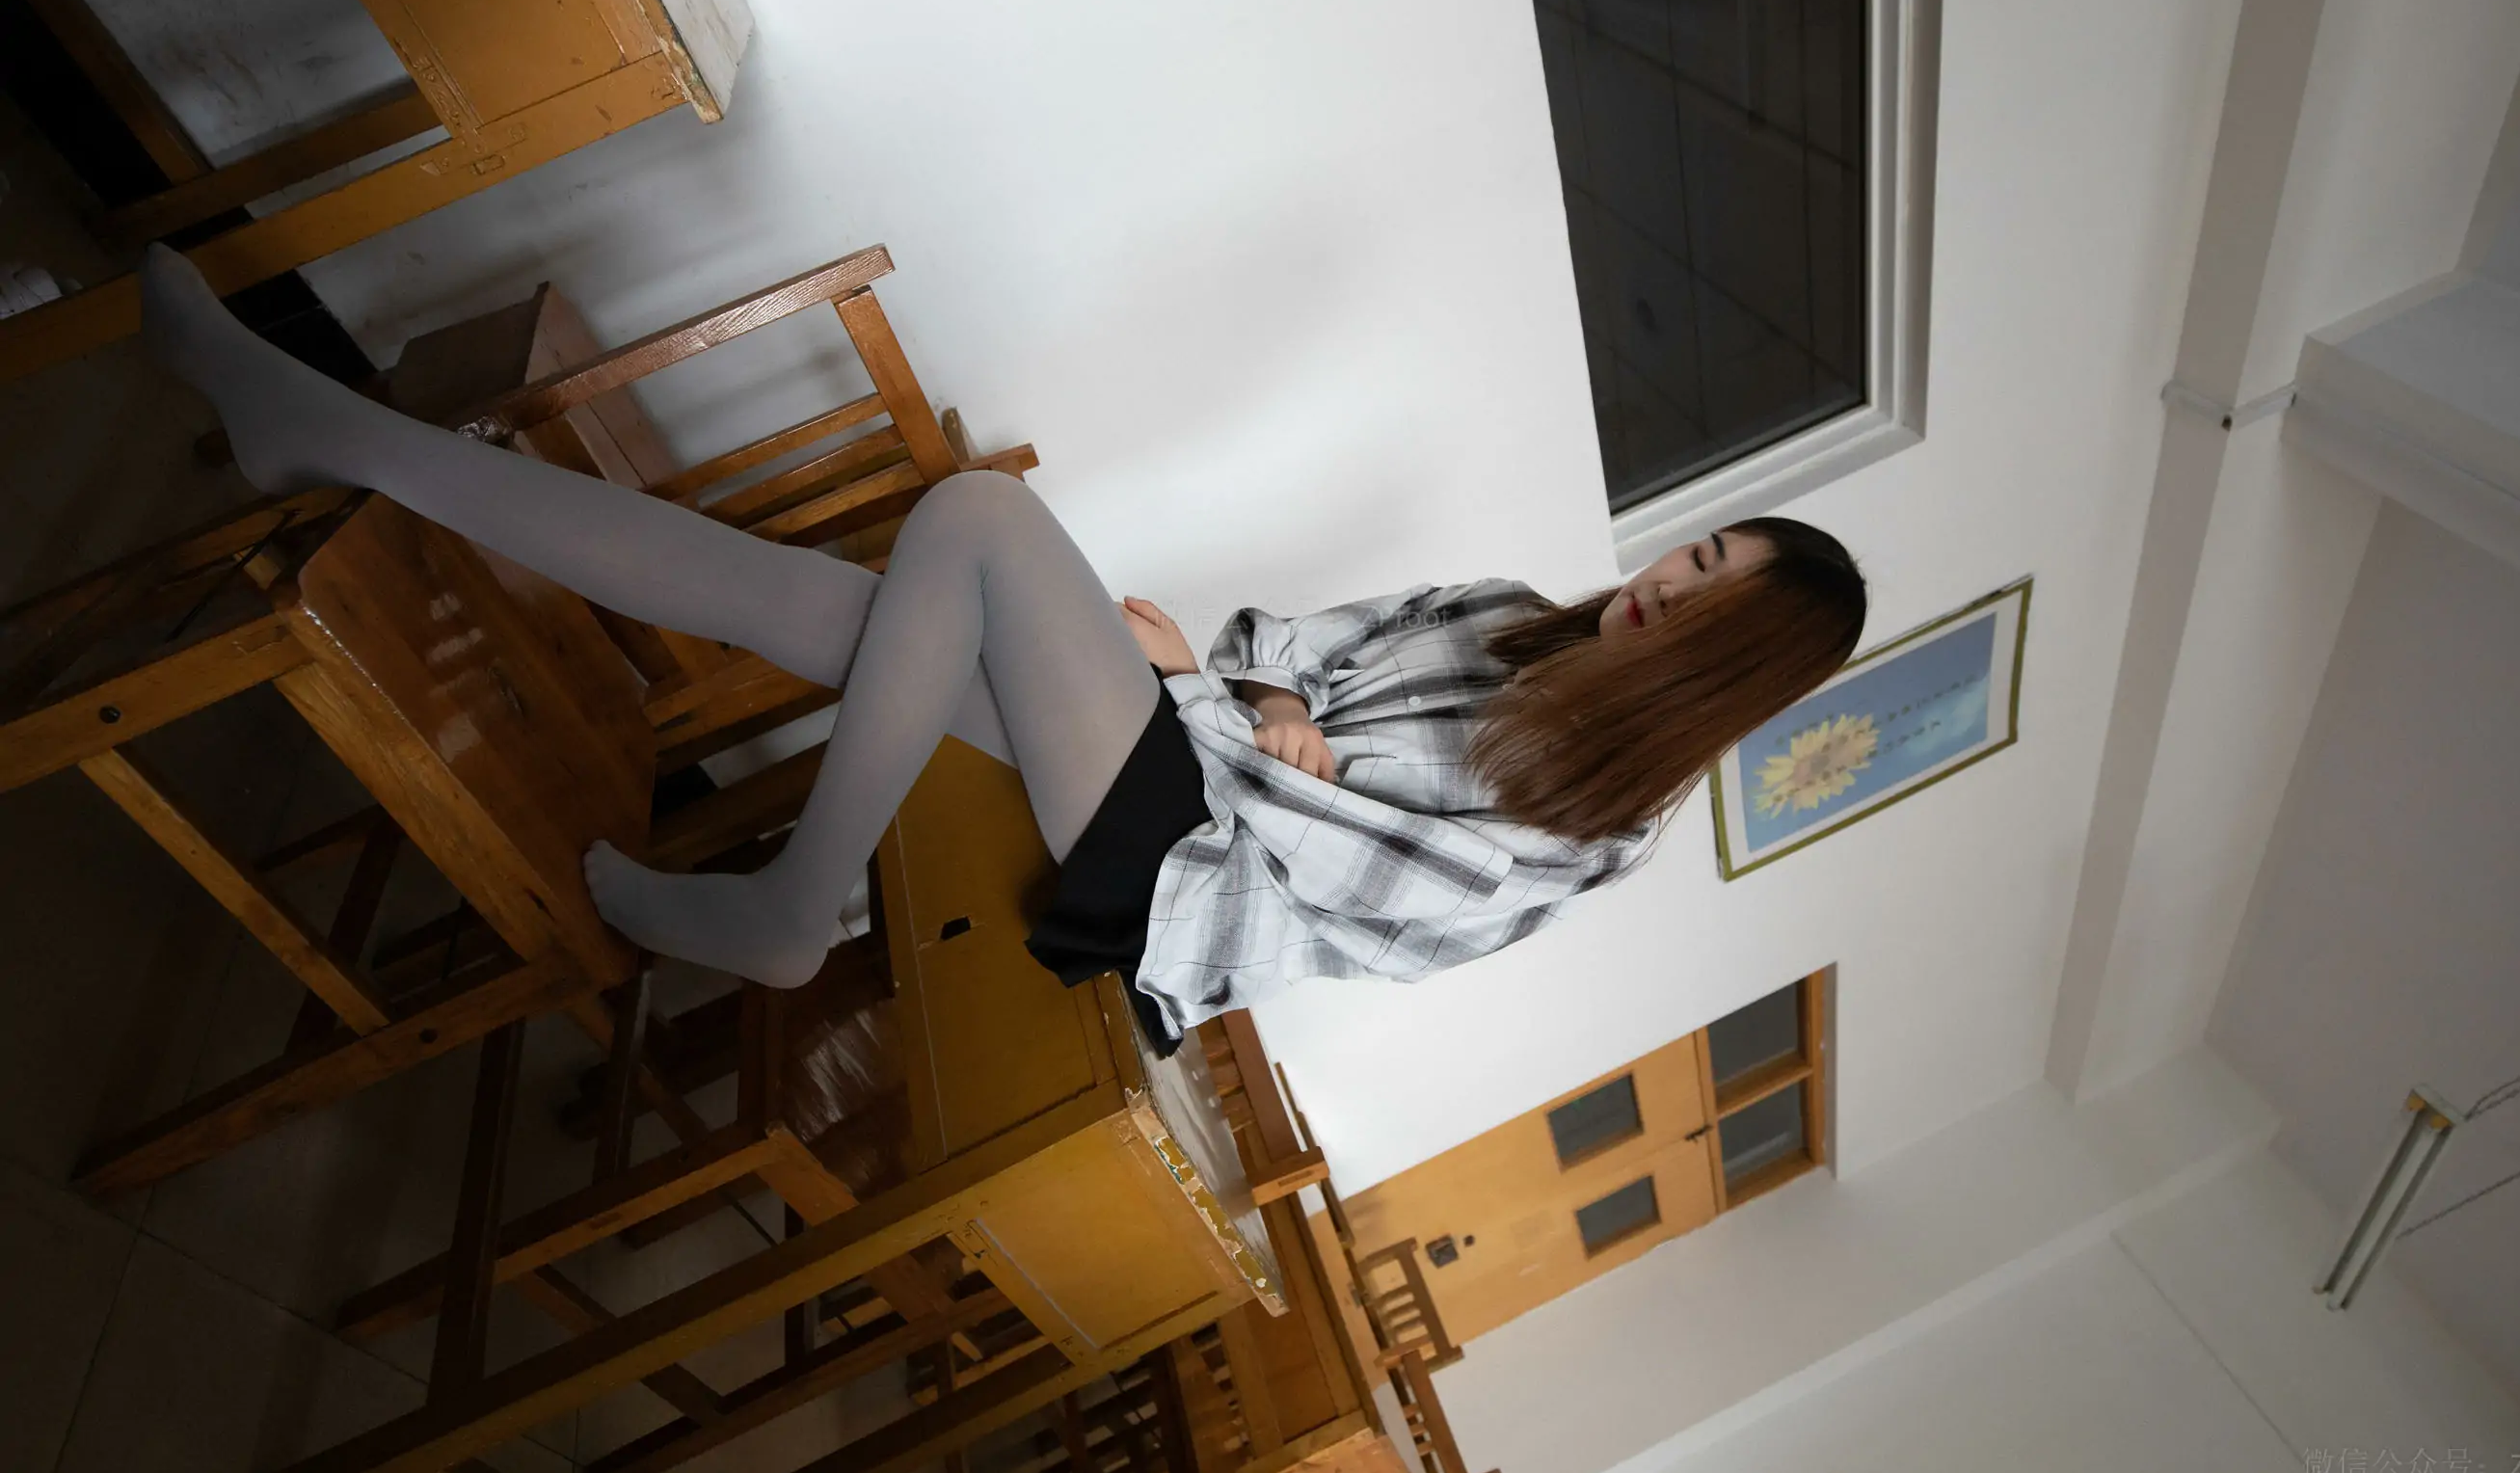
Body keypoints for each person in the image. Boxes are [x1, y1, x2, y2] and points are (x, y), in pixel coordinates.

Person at [138, 245, 1866, 1056]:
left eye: (1705, 604)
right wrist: (1258, 700)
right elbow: (1283, 649)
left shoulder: (1590, 826)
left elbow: (1323, 864)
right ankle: (330, 436)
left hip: (1178, 884)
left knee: (972, 516)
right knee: (793, 599)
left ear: (1721, 669)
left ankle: (793, 904)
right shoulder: (1504, 614)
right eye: (1695, 554)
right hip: (1180, 766)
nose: (1667, 586)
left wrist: (1219, 706)